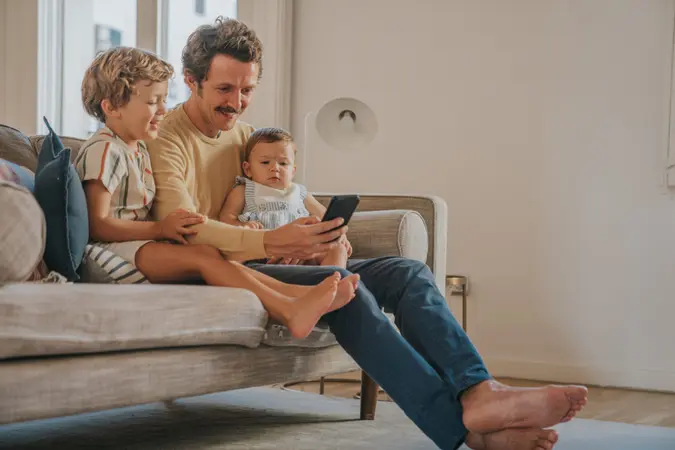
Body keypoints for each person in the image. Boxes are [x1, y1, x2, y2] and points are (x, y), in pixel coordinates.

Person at [147, 17, 589, 450]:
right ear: (192, 80)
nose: (237, 102)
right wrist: (270, 242)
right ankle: (464, 433)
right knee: (346, 290)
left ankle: (479, 391)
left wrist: (319, 236)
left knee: (407, 273)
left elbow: (284, 198)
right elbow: (183, 225)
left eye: (247, 90)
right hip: (228, 268)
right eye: (225, 89)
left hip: (278, 258)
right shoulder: (166, 137)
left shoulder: (246, 137)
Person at [74, 46, 359, 340]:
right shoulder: (106, 149)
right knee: (204, 257)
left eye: (163, 100)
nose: (162, 110)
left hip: (139, 245)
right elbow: (97, 224)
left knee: (216, 258)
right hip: (111, 253)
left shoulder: (137, 148)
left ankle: (297, 298)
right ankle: (289, 309)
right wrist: (160, 228)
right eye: (152, 102)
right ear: (111, 107)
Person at [219, 126, 352, 268]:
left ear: (293, 171)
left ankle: (335, 281)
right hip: (264, 256)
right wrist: (241, 226)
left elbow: (326, 216)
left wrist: (338, 235)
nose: (275, 168)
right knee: (234, 261)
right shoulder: (244, 190)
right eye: (265, 162)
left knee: (336, 248)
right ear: (248, 169)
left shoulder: (299, 192)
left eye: (283, 163)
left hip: (305, 252)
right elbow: (226, 218)